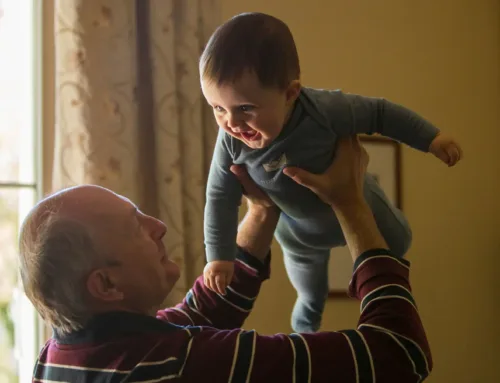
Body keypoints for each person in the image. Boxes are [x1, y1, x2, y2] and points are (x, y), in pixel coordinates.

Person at [22, 136, 432, 382]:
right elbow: (398, 355)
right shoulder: (180, 364)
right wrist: (352, 205)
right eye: (136, 226)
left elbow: (204, 311)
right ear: (106, 285)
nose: (158, 226)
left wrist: (261, 211)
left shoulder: (61, 356)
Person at [201, 12, 463, 333]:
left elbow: (380, 113)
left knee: (399, 242)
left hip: (359, 202)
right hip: (299, 234)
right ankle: (305, 333)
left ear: (290, 94)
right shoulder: (230, 141)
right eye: (217, 108)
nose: (232, 123)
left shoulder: (325, 111)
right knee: (310, 293)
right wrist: (219, 257)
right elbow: (219, 197)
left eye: (245, 108)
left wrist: (431, 138)